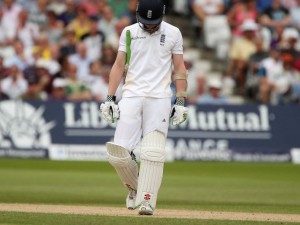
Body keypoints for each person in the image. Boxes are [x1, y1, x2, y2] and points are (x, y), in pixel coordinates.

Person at [99, 0, 188, 216]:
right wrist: (110, 97)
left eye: (154, 22)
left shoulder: (173, 33)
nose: (149, 26)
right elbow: (119, 65)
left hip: (159, 97)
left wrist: (181, 100)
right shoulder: (128, 32)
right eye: (146, 22)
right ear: (137, 14)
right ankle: (135, 188)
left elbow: (179, 68)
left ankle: (147, 200)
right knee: (118, 154)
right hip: (131, 94)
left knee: (153, 152)